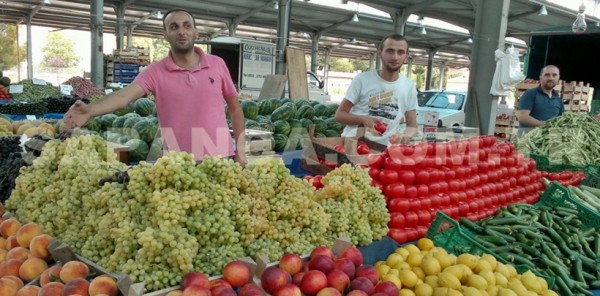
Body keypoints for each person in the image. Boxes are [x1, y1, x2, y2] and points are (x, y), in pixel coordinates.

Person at [65, 9, 247, 165]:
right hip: (178, 163)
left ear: (196, 32)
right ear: (165, 35)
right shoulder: (155, 72)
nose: (181, 31)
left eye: (187, 26)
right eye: (174, 27)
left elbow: (235, 110)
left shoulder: (217, 64)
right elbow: (123, 97)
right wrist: (90, 110)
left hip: (220, 159)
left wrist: (240, 151)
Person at [335, 33, 418, 144]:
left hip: (384, 151)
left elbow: (412, 125)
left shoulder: (409, 86)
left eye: (400, 52)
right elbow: (340, 114)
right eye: (390, 51)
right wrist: (362, 119)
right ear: (380, 52)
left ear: (406, 56)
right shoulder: (362, 79)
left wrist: (405, 136)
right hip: (353, 145)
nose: (395, 57)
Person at [516, 65, 564, 135]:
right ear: (540, 77)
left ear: (558, 78)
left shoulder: (558, 100)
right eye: (547, 75)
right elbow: (522, 117)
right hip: (528, 141)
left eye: (554, 75)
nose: (551, 78)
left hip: (548, 142)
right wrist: (545, 125)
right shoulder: (530, 94)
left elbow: (560, 122)